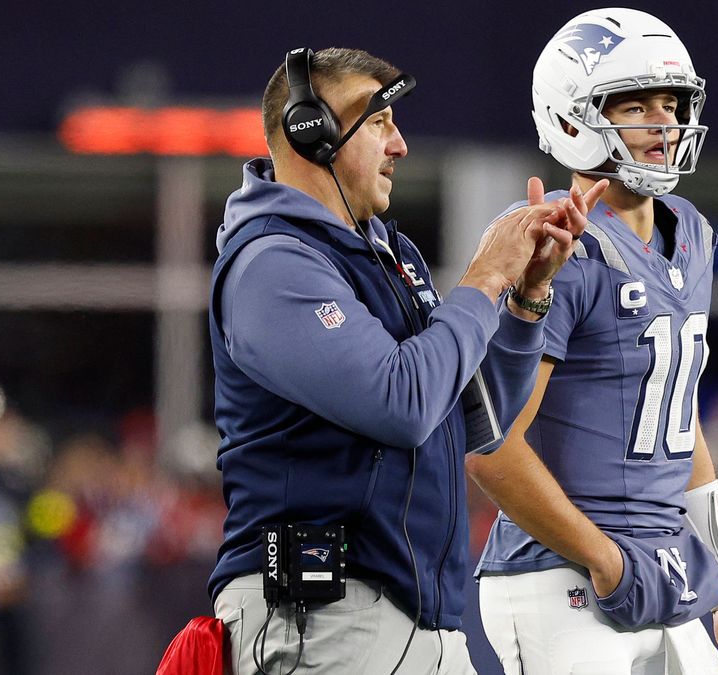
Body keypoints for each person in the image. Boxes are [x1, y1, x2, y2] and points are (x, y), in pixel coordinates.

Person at [206, 46, 607, 675]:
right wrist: (481, 280)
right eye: (379, 122)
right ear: (313, 133)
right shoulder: (272, 263)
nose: (400, 145)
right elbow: (402, 403)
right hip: (325, 614)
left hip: (418, 613)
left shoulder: (389, 255)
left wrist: (526, 297)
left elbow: (477, 418)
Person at [467, 9, 718, 675]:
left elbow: (677, 419)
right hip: (558, 573)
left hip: (664, 570)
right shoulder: (553, 244)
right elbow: (490, 444)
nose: (663, 122)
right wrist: (602, 557)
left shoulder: (691, 233)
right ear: (572, 118)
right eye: (635, 104)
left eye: (671, 101)